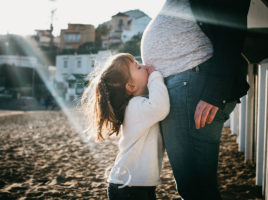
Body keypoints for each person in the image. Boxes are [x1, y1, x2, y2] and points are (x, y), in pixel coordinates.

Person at [141, 0, 251, 199]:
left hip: (193, 84)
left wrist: (214, 92)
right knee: (193, 186)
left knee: (196, 189)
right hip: (185, 84)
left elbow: (232, 28)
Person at [81, 53, 170, 200]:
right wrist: (155, 76)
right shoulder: (135, 106)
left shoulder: (138, 105)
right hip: (131, 186)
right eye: (139, 67)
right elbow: (161, 107)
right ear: (131, 86)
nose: (145, 67)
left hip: (132, 184)